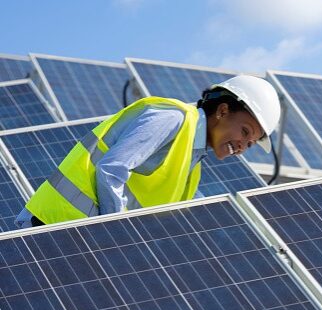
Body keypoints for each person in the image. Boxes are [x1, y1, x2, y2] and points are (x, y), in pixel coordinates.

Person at [15, 75, 281, 227]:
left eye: (250, 143)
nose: (242, 147)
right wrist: (119, 235)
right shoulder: (173, 119)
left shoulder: (192, 165)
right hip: (53, 225)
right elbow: (111, 170)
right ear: (223, 111)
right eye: (245, 132)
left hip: (77, 235)